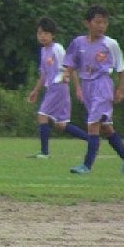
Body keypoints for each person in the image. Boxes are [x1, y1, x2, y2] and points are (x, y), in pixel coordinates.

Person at [64, 6, 124, 175]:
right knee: (106, 128)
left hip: (102, 85)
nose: (101, 26)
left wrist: (120, 88)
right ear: (87, 23)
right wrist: (67, 74)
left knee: (92, 125)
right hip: (87, 86)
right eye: (98, 22)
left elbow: (120, 68)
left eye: (104, 23)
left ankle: (86, 166)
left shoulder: (110, 44)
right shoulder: (78, 42)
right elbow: (71, 62)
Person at [26, 16, 87, 159]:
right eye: (40, 33)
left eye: (46, 33)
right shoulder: (43, 51)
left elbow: (70, 67)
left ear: (53, 35)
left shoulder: (57, 49)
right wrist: (35, 91)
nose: (42, 36)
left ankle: (44, 153)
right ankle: (92, 140)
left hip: (58, 86)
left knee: (42, 115)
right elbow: (43, 74)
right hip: (53, 88)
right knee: (61, 125)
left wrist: (77, 88)